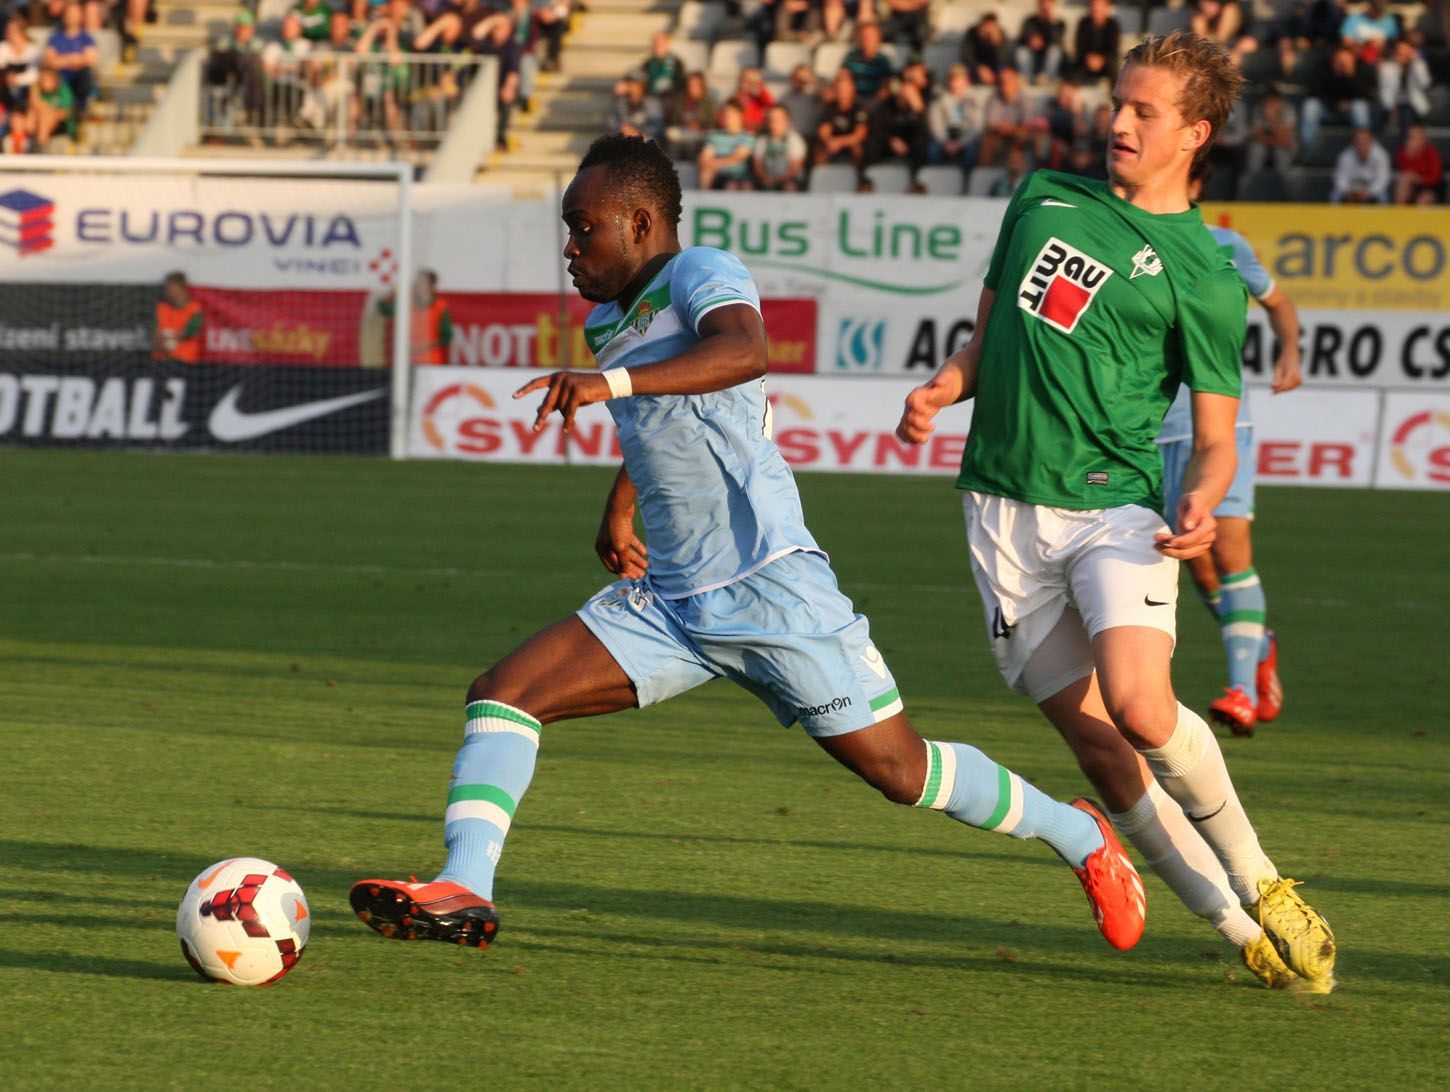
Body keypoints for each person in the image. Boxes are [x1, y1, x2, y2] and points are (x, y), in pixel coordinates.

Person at [349, 132, 1148, 957]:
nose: (571, 246)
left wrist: (608, 384)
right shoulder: (606, 321)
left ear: (642, 221)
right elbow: (660, 424)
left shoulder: (701, 272)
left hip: (772, 587)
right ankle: (466, 886)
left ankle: (1080, 836)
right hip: (672, 602)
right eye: (568, 228)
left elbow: (742, 352)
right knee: (505, 691)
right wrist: (619, 508)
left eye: (585, 227)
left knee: (901, 773)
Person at [894, 32, 1336, 992]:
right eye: (1117, 105)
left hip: (1116, 508)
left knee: (1140, 706)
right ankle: (1233, 930)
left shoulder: (1209, 277)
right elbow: (991, 340)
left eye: (1144, 111)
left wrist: (1206, 501)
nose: (1119, 122)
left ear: (1195, 134)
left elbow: (1215, 439)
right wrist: (943, 386)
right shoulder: (1041, 198)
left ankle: (1262, 880)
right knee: (1098, 745)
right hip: (1000, 512)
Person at [1156, 165, 1302, 736]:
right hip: (1153, 432)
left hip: (1221, 426)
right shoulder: (1123, 245)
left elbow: (1280, 302)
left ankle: (1240, 688)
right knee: (1197, 561)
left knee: (1231, 546)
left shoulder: (1224, 244)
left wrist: (1290, 348)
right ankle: (1257, 641)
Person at [379, 267, 454, 365]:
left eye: (421, 283)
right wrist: (387, 299)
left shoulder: (440, 307)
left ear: (431, 286)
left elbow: (446, 337)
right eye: (417, 282)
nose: (417, 285)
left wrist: (426, 345)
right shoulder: (406, 304)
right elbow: (385, 310)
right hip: (405, 362)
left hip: (430, 362)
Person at [698, 101, 756, 190]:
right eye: (725, 114)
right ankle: (703, 200)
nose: (728, 117)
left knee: (737, 185)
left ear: (740, 116)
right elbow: (704, 158)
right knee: (706, 173)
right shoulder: (714, 136)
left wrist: (715, 163)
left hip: (741, 177)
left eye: (731, 114)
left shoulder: (748, 137)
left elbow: (737, 157)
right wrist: (711, 164)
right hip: (719, 176)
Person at [752, 103, 808, 190]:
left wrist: (777, 180)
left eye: (778, 119)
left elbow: (794, 168)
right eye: (771, 119)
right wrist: (765, 178)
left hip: (790, 180)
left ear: (786, 120)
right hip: (766, 180)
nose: (773, 122)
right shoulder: (762, 141)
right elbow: (758, 166)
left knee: (789, 187)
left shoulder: (794, 139)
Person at [152, 272, 203, 364]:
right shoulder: (160, 308)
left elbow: (187, 333)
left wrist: (168, 339)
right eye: (166, 289)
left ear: (182, 289)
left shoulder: (194, 310)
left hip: (185, 363)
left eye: (172, 288)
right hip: (160, 362)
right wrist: (159, 341)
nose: (168, 292)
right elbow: (154, 332)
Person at [1331, 126, 1391, 202]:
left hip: (1372, 189)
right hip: (1351, 189)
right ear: (1354, 142)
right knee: (1335, 194)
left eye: (1365, 140)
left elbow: (1383, 179)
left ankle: (1383, 214)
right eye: (1358, 141)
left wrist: (1370, 192)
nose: (1361, 144)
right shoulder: (1345, 156)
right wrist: (1348, 192)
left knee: (1383, 196)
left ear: (1371, 141)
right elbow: (1340, 178)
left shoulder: (1381, 155)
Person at [1393, 121, 1444, 204]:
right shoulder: (1403, 152)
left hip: (1430, 187)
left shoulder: (1431, 152)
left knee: (1423, 200)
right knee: (1403, 181)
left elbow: (1435, 177)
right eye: (1411, 137)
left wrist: (1419, 179)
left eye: (1416, 137)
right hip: (1412, 186)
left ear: (1423, 139)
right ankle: (1400, 212)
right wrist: (1410, 157)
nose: (1413, 140)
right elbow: (1404, 171)